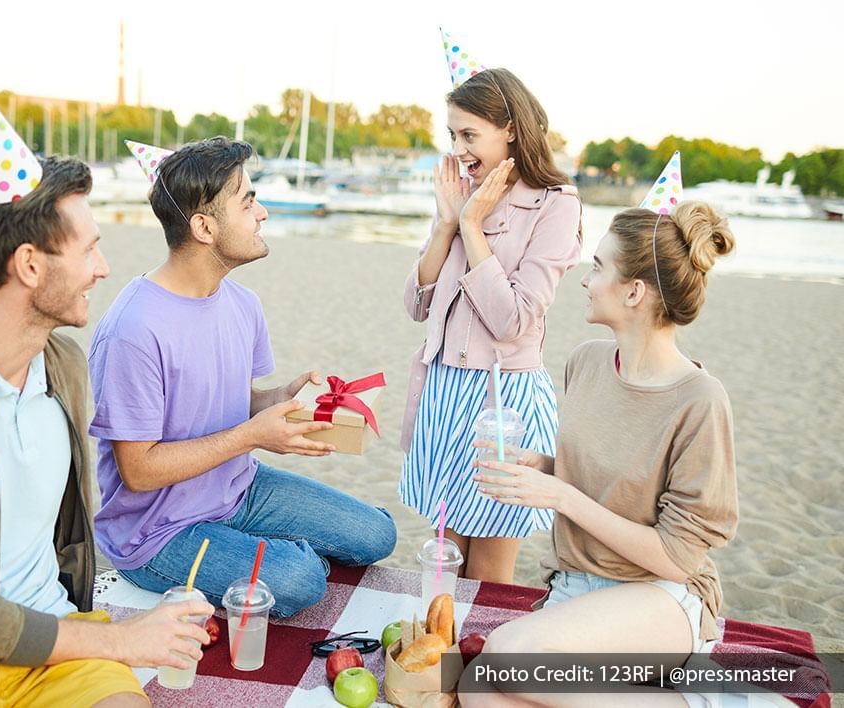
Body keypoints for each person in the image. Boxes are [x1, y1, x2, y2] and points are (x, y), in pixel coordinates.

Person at [0, 145, 214, 707]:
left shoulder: (63, 364)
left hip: (56, 646)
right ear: (30, 264)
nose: (103, 267)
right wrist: (122, 640)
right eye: (89, 248)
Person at [88, 137, 396, 618]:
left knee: (379, 536)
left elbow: (232, 400)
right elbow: (138, 470)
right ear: (204, 227)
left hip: (236, 486)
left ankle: (247, 545)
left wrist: (284, 398)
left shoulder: (241, 303)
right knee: (302, 580)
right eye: (248, 201)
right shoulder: (133, 330)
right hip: (157, 531)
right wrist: (252, 436)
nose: (263, 213)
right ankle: (256, 553)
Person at [461, 201, 739, 706]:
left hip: (659, 594)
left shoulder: (700, 400)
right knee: (477, 690)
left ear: (634, 291)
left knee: (504, 657)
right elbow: (597, 478)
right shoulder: (586, 362)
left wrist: (560, 494)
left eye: (597, 267)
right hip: (577, 584)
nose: (586, 281)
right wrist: (542, 467)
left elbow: (677, 559)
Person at [400, 67, 582, 583]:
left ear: (510, 129)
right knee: (444, 560)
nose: (457, 148)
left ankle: (481, 665)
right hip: (443, 392)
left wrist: (473, 227)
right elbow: (416, 305)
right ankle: (440, 663)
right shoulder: (463, 194)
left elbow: (515, 319)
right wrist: (446, 223)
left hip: (504, 402)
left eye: (468, 134)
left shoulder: (556, 204)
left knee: (489, 574)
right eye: (452, 135)